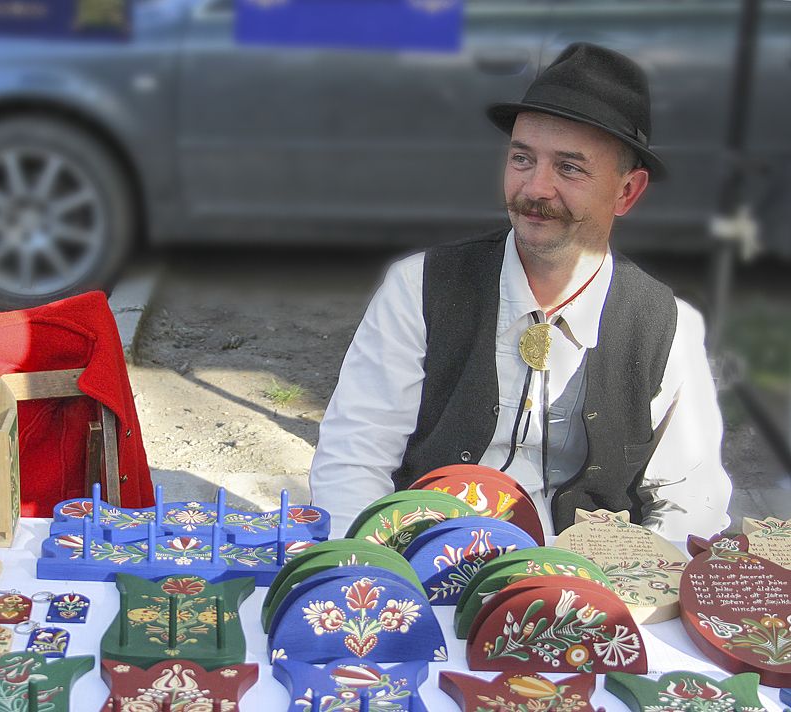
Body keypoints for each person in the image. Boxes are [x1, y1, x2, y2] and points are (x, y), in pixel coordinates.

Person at [309, 43, 731, 541]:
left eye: (569, 167)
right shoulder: (418, 288)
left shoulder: (667, 325)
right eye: (522, 159)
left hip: (587, 576)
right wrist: (375, 568)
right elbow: (352, 460)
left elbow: (692, 500)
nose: (535, 188)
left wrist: (636, 581)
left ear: (627, 192)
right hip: (430, 559)